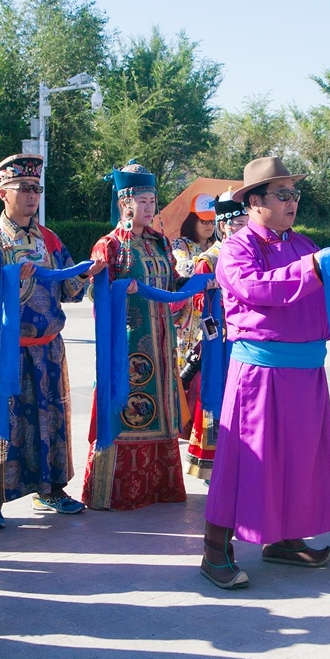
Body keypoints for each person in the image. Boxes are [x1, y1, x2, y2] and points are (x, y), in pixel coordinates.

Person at [200, 156, 330, 589]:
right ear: (254, 202)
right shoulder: (237, 248)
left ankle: (283, 538)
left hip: (305, 371)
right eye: (282, 194)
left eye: (294, 194)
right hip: (260, 373)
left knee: (299, 458)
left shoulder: (303, 245)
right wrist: (316, 269)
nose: (292, 201)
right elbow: (257, 288)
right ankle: (214, 548)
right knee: (247, 459)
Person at [0, 153, 101, 529]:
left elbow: (70, 288)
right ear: (2, 193)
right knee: (2, 420)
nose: (32, 195)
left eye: (36, 188)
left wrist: (90, 273)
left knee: (52, 418)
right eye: (23, 188)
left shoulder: (49, 239)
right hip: (9, 348)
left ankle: (52, 489)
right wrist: (14, 278)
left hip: (49, 347)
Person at [83, 162, 187, 511]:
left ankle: (161, 486)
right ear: (125, 203)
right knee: (129, 410)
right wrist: (117, 290)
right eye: (142, 201)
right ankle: (116, 490)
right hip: (127, 341)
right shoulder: (110, 245)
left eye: (153, 201)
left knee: (163, 406)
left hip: (162, 337)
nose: (149, 208)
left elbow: (172, 283)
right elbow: (93, 291)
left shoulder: (160, 243)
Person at [182, 191, 246, 482]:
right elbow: (198, 305)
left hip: (246, 340)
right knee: (218, 397)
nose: (245, 227)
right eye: (240, 223)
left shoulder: (251, 254)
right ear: (225, 225)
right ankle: (214, 463)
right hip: (219, 341)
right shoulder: (208, 260)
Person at [171, 193, 218, 437]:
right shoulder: (180, 245)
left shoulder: (218, 246)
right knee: (185, 368)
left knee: (206, 370)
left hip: (212, 315)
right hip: (188, 319)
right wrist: (205, 263)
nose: (209, 226)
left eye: (212, 221)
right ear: (192, 221)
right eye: (203, 221)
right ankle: (182, 423)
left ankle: (201, 423)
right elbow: (182, 268)